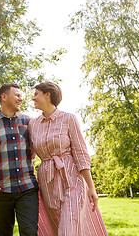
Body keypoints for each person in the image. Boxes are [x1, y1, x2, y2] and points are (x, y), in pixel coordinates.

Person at [28, 82, 108, 236]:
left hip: (72, 181)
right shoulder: (33, 124)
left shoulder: (68, 119)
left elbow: (81, 154)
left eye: (36, 94)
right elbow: (30, 154)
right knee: (57, 228)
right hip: (47, 183)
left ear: (48, 95)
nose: (33, 98)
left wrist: (91, 187)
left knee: (69, 229)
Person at [0, 83, 39, 236]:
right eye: (17, 95)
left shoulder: (29, 122)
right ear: (4, 97)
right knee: (3, 233)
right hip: (0, 189)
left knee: (30, 233)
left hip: (27, 188)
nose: (21, 98)